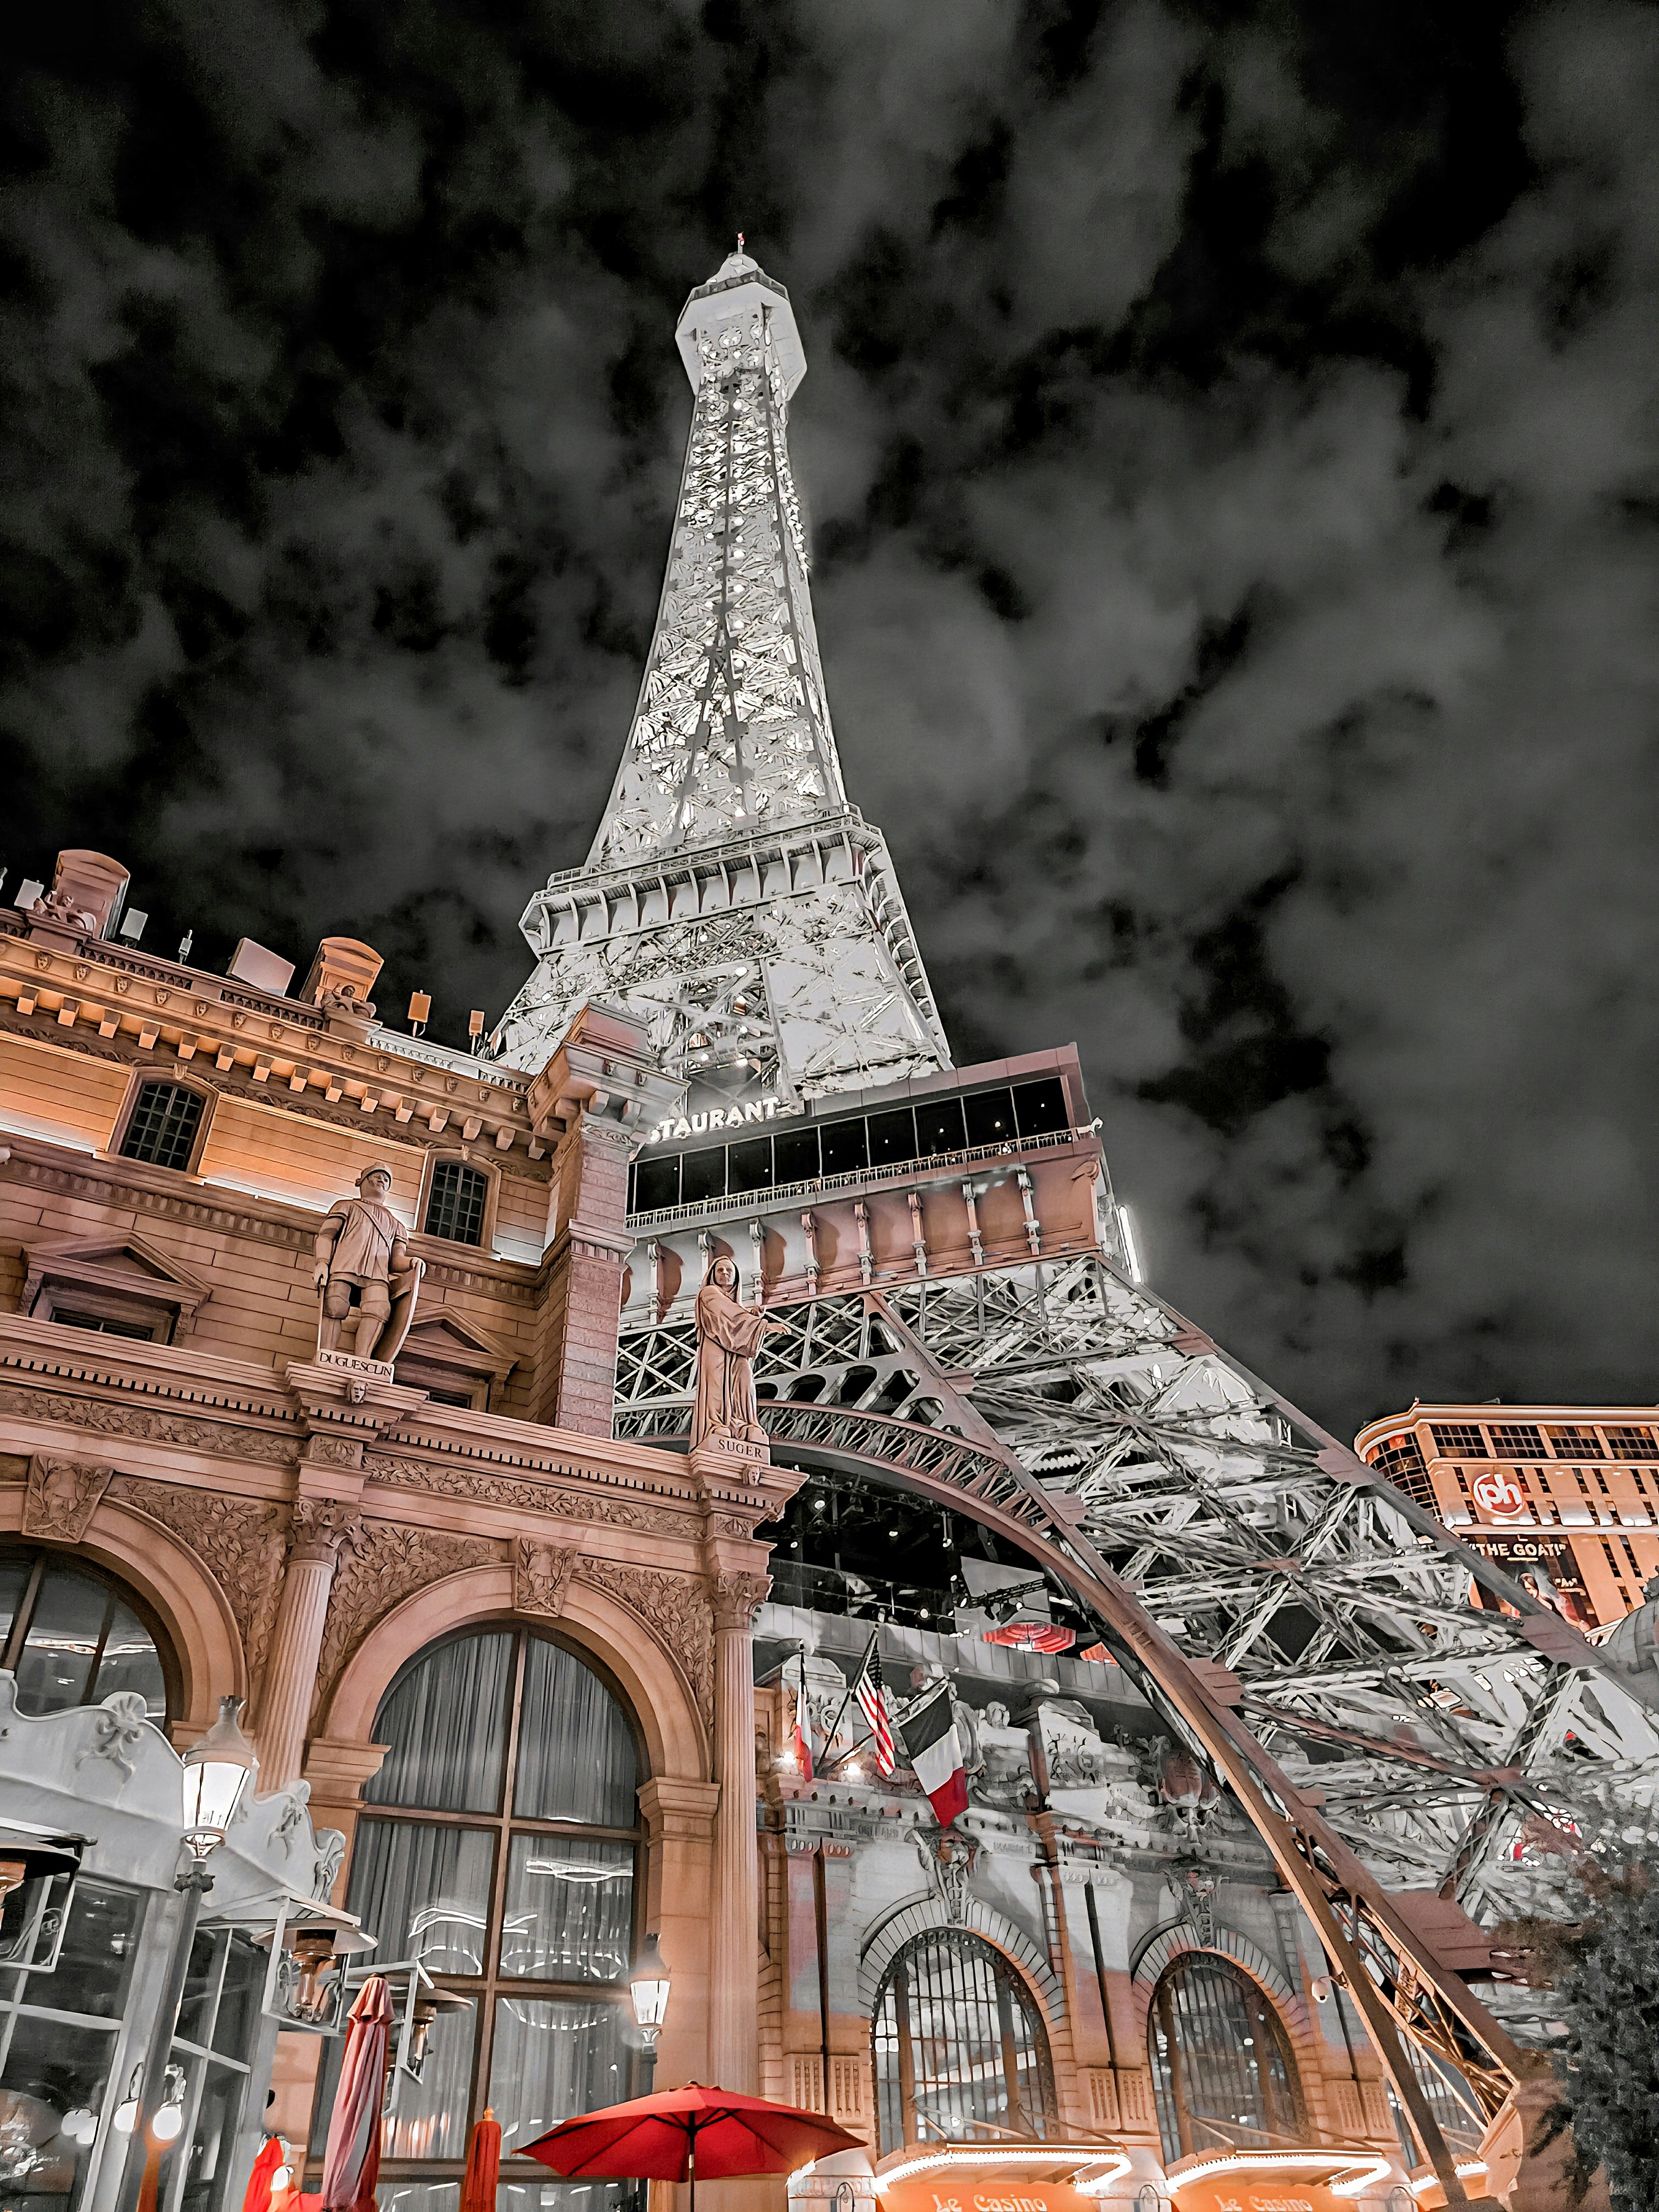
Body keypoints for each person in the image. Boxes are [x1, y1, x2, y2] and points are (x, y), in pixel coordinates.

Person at [313, 1164, 421, 1362]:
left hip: (378, 1274)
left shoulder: (397, 1225)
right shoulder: (345, 1206)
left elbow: (395, 1261)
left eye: (386, 1179)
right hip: (345, 1266)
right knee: (335, 1306)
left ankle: (362, 1362)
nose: (382, 1180)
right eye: (377, 1176)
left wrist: (412, 1263)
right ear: (362, 1181)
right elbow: (326, 1235)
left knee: (379, 1310)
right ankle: (326, 1357)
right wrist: (322, 1262)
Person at [691, 1255, 782, 1448]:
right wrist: (764, 1325)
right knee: (717, 1383)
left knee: (744, 1380)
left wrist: (750, 1316)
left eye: (729, 1270)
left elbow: (735, 1317)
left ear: (737, 1277)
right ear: (712, 1275)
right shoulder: (708, 1293)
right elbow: (726, 1314)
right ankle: (716, 1424)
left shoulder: (737, 1308)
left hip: (738, 1347)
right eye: (720, 1270)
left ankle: (744, 1424)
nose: (725, 1273)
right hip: (715, 1345)